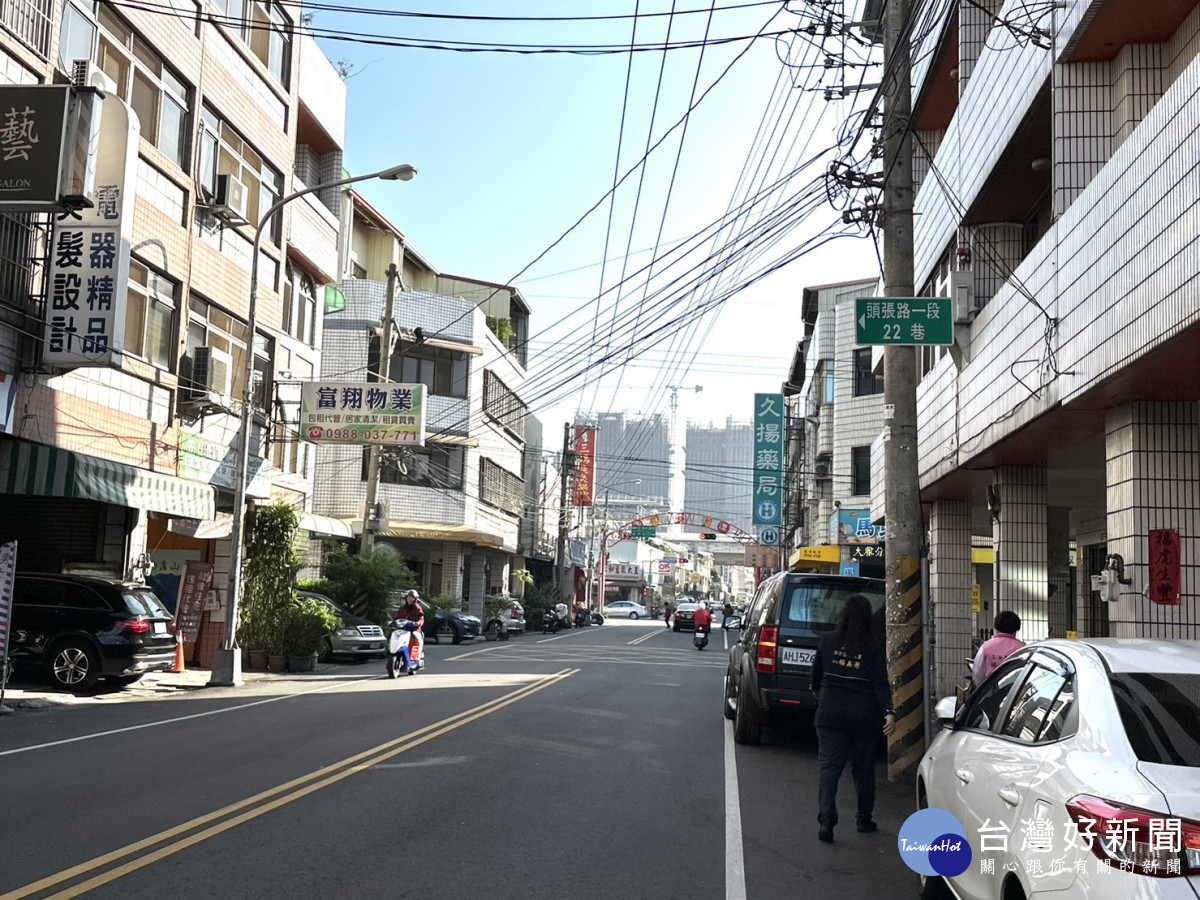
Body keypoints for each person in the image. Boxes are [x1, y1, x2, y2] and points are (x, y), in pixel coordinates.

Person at [809, 595, 895, 843]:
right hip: (863, 715)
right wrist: (889, 711)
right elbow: (880, 682)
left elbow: (816, 674)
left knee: (829, 767)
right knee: (863, 768)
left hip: (829, 711)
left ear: (843, 615)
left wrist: (818, 692)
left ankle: (826, 820)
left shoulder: (828, 641)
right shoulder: (874, 645)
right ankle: (863, 818)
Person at [972, 611, 1024, 684]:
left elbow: (977, 672)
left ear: (996, 626)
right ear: (1017, 627)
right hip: (1015, 689)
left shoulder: (986, 646)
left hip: (991, 689)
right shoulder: (1022, 648)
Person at [392, 589, 426, 668]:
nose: (410, 599)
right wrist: (393, 622)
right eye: (409, 597)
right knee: (393, 635)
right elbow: (397, 617)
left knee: (415, 637)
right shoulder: (402, 608)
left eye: (412, 598)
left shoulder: (418, 609)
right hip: (402, 629)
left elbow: (421, 619)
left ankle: (414, 657)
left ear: (415, 599)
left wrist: (418, 623)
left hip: (414, 629)